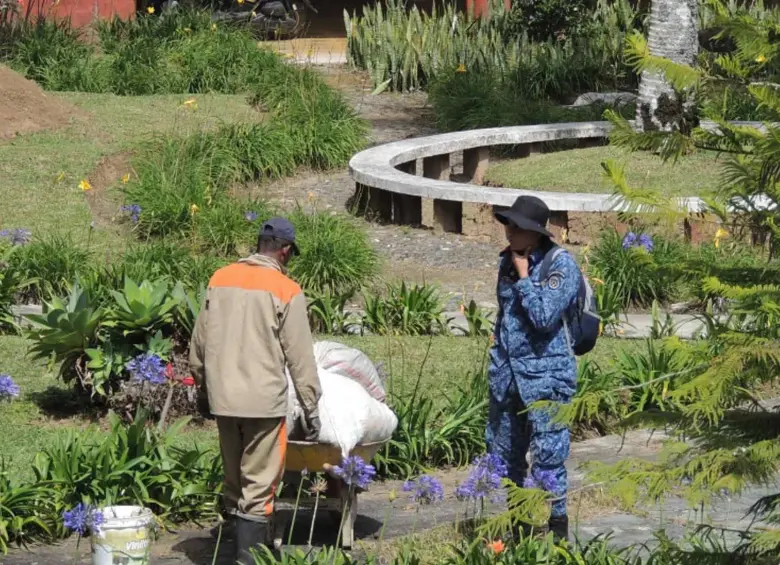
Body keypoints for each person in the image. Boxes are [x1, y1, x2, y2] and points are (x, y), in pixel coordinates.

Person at [189, 217, 322, 564]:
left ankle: (229, 547)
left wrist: (204, 389)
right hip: (263, 404)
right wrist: (311, 408)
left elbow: (199, 342)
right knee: (259, 483)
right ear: (285, 250)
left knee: (233, 477)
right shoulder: (286, 290)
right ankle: (250, 560)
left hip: (223, 399)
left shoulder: (220, 279)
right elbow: (300, 357)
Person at [487, 195, 581, 542]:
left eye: (515, 226)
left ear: (533, 232)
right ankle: (519, 532)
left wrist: (526, 277)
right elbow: (504, 318)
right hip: (508, 379)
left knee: (548, 459)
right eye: (508, 224)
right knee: (507, 458)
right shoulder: (507, 262)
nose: (508, 231)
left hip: (546, 379)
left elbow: (544, 317)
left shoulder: (561, 266)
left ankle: (557, 534)